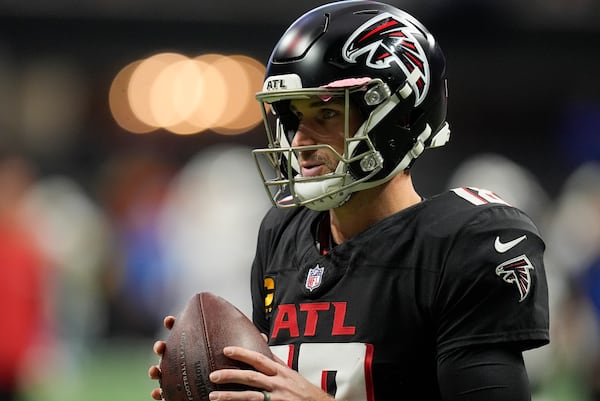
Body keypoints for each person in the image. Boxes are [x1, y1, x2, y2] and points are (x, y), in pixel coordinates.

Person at [149, 1, 549, 400]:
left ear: (399, 117)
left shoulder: (465, 243)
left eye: (325, 115)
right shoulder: (283, 233)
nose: (300, 143)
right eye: (292, 118)